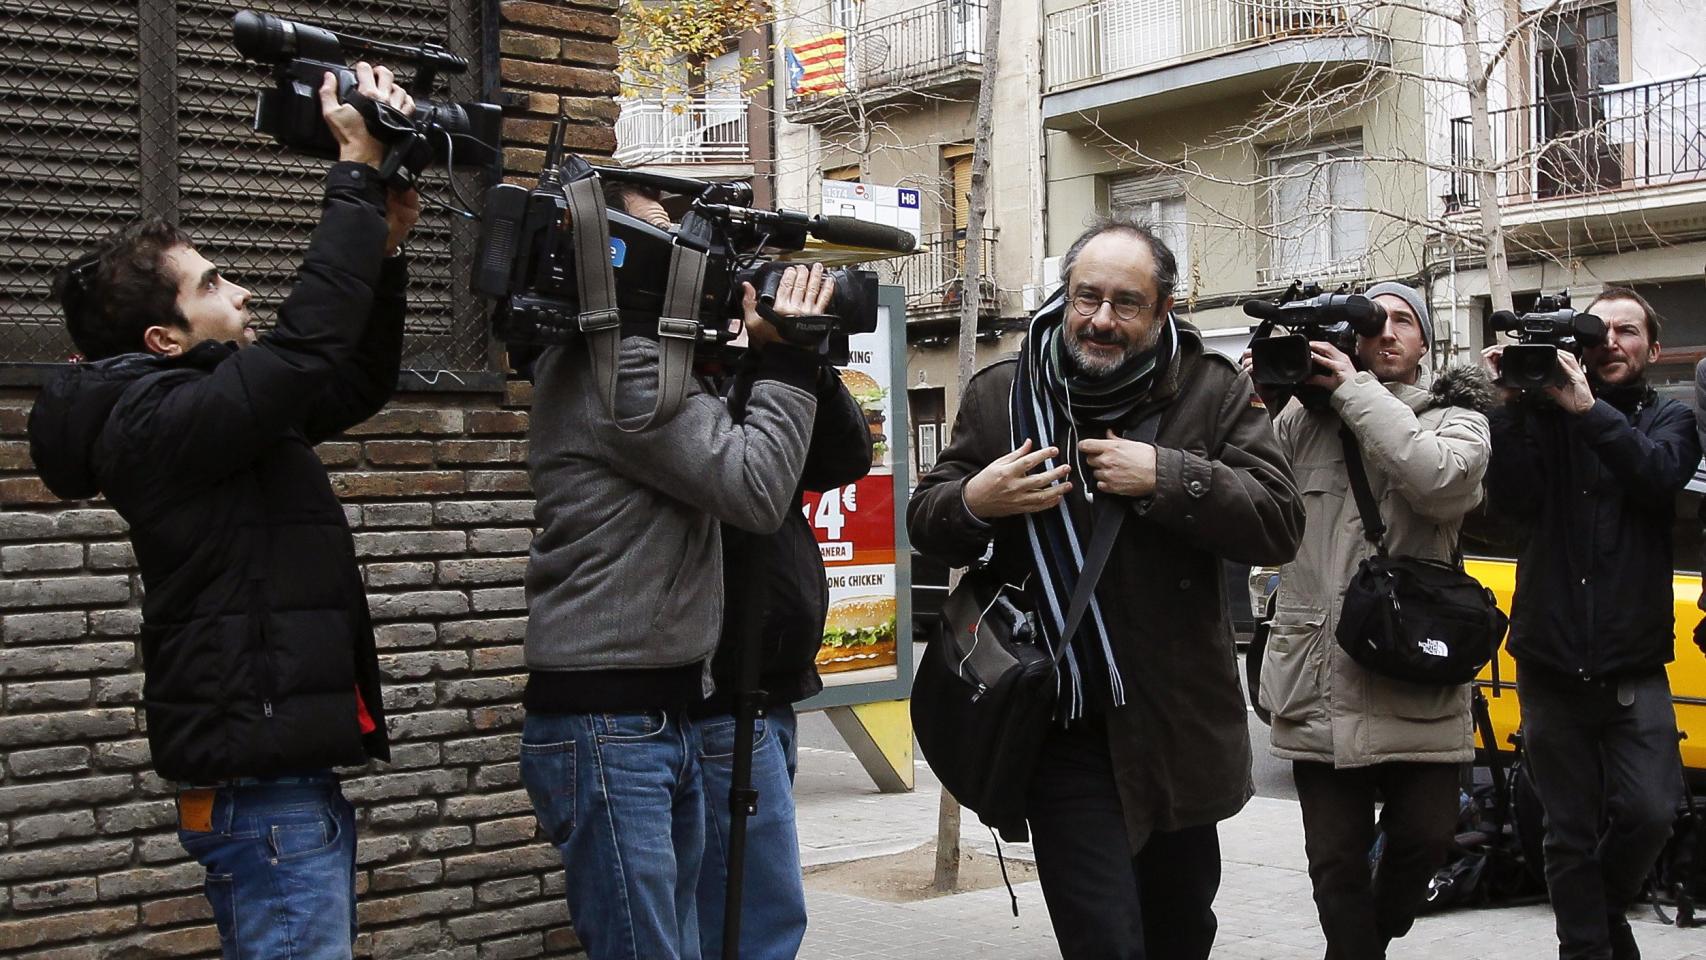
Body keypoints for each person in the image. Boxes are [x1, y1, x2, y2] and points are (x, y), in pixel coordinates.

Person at [26, 64, 418, 959]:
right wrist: (351, 171)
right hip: (260, 785)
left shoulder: (207, 414)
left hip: (278, 777)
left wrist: (387, 248)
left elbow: (348, 376)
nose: (239, 294)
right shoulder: (160, 422)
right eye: (211, 285)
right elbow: (310, 344)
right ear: (162, 338)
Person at [908, 215, 1304, 960]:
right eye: (1087, 297)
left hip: (1174, 724)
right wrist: (975, 501)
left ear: (1163, 312)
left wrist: (1169, 475)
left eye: (1126, 303)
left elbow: (1279, 521)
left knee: (1178, 933)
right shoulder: (1004, 394)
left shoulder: (1213, 393)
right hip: (1060, 723)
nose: (1100, 319)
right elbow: (928, 521)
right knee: (1104, 943)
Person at [520, 219, 835, 960]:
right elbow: (756, 489)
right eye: (661, 231)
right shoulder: (624, 364)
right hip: (613, 720)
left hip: (657, 710)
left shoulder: (649, 356)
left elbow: (824, 458)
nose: (690, 252)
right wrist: (784, 363)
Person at [1252, 282, 1493, 960]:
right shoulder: (1301, 422)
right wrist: (1266, 393)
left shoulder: (1457, 416)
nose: (1387, 331)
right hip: (1319, 670)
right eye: (1374, 319)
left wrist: (1356, 392)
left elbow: (1440, 481)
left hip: (1416, 667)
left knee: (1425, 837)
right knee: (1333, 863)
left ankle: (1369, 939)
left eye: (1403, 321)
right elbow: (1251, 497)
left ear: (1424, 342)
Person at [1484, 286, 1700, 960]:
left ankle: (1600, 917)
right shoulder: (1543, 419)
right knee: (1566, 831)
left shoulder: (1673, 419)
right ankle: (1589, 949)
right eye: (1597, 329)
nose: (1611, 342)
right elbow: (1511, 502)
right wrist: (1514, 406)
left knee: (1651, 813)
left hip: (1633, 663)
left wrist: (1584, 408)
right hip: (1549, 661)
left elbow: (1656, 477)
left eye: (1628, 332)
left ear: (1653, 350)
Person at [691, 346, 872, 960]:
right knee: (755, 916)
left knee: (755, 906)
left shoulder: (765, 371)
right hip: (724, 692)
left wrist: (803, 362)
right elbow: (744, 484)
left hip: (773, 685)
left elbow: (845, 458)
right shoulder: (684, 379)